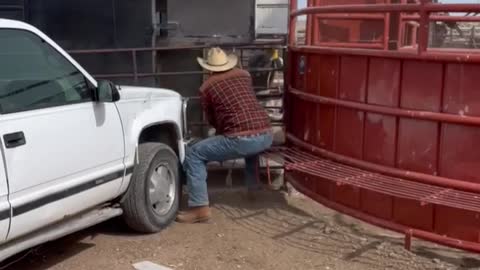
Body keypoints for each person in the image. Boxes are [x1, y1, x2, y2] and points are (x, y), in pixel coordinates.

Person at [176, 47, 273, 224]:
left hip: (242, 140)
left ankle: (200, 208)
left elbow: (212, 118)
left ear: (208, 68)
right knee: (250, 145)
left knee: (194, 153)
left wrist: (222, 132)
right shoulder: (244, 75)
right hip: (266, 134)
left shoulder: (207, 86)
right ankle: (254, 190)